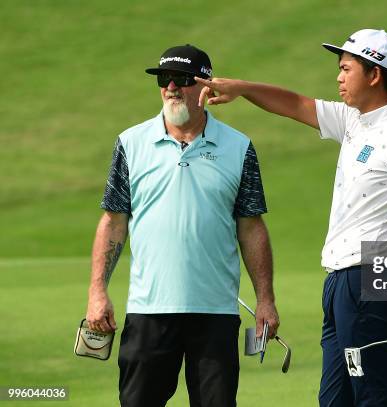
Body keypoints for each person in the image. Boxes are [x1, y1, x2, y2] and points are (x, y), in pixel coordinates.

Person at [196, 29, 387, 406]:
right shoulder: (354, 121)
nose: (339, 77)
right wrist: (243, 88)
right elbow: (296, 104)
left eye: (346, 69)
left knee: (373, 395)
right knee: (334, 399)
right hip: (341, 283)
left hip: (373, 278)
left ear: (375, 74)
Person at [86, 44, 279, 407]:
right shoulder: (131, 142)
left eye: (182, 79)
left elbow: (251, 227)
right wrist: (98, 292)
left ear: (206, 86)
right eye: (164, 78)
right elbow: (113, 222)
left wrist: (265, 299)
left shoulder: (238, 147)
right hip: (149, 311)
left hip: (215, 313)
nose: (171, 87)